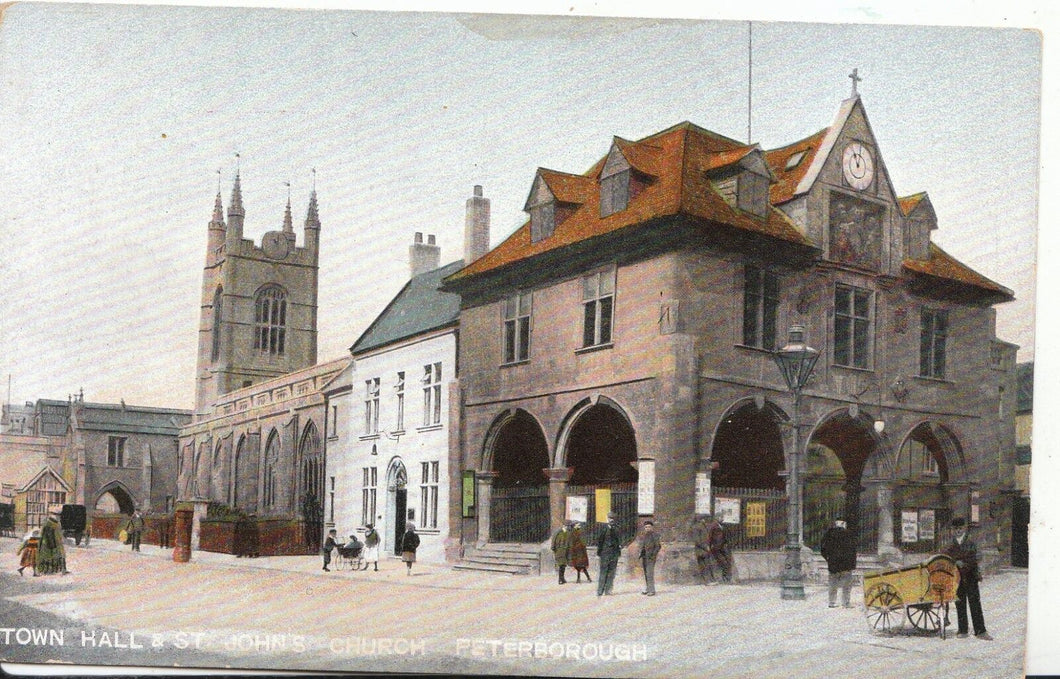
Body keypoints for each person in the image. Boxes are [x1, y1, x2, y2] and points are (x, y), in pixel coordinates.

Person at [945, 517, 992, 640]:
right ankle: (963, 630)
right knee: (960, 603)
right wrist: (956, 562)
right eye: (955, 529)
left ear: (964, 528)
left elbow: (974, 559)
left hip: (971, 576)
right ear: (952, 530)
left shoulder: (970, 542)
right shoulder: (950, 544)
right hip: (958, 578)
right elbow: (948, 558)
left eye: (960, 528)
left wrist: (963, 564)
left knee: (975, 603)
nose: (958, 531)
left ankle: (981, 631)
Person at [820, 519, 857, 608]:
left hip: (833, 563)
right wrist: (852, 563)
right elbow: (853, 549)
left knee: (833, 584)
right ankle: (846, 602)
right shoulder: (849, 534)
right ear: (844, 524)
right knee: (846, 585)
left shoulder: (829, 533)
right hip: (846, 564)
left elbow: (823, 548)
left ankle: (832, 602)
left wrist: (828, 558)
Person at [596, 513, 622, 596]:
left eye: (613, 518)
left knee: (612, 572)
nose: (611, 520)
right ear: (607, 519)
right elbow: (600, 541)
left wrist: (619, 548)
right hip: (605, 553)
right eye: (610, 518)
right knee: (603, 572)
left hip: (614, 554)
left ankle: (608, 590)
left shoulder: (617, 529)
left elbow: (620, 540)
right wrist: (599, 553)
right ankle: (600, 590)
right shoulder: (603, 529)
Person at [638, 521, 661, 596]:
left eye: (649, 527)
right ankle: (648, 589)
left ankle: (652, 590)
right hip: (644, 557)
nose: (647, 528)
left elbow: (658, 546)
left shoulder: (655, 535)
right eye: (646, 527)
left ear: (652, 527)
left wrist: (653, 555)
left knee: (650, 573)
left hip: (651, 557)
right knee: (646, 573)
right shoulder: (644, 535)